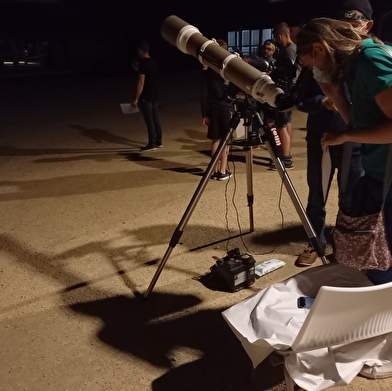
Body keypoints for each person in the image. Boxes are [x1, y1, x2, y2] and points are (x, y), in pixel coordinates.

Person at [296, 17, 392, 286]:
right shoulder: (360, 62)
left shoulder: (372, 60)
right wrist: (336, 94)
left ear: (319, 49)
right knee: (376, 260)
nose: (313, 71)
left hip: (388, 178)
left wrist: (347, 135)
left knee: (381, 264)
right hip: (379, 173)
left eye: (310, 64)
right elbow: (364, 121)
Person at [295, 0, 372, 266]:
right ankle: (315, 241)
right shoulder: (322, 57)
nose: (349, 34)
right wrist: (322, 102)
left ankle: (343, 245)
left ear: (367, 26)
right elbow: (300, 98)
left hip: (356, 141)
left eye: (356, 26)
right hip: (321, 137)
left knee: (350, 196)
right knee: (316, 193)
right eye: (344, 27)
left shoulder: (369, 59)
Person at [200, 39, 232, 181]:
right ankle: (223, 170)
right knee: (225, 140)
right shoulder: (228, 69)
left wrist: (204, 113)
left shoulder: (207, 70)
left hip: (212, 107)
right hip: (225, 107)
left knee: (215, 139)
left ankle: (214, 170)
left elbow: (203, 93)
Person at [269, 22, 297, 171]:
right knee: (287, 123)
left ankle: (285, 159)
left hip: (285, 92)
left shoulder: (288, 52)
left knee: (281, 126)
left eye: (276, 38)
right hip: (289, 92)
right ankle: (287, 154)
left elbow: (291, 73)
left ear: (280, 36)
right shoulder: (291, 49)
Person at [131, 40, 163, 152]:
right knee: (156, 118)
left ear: (140, 50)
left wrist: (136, 98)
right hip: (155, 94)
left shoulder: (143, 64)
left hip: (146, 96)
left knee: (149, 119)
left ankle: (152, 143)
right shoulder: (154, 62)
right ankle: (158, 141)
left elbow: (141, 82)